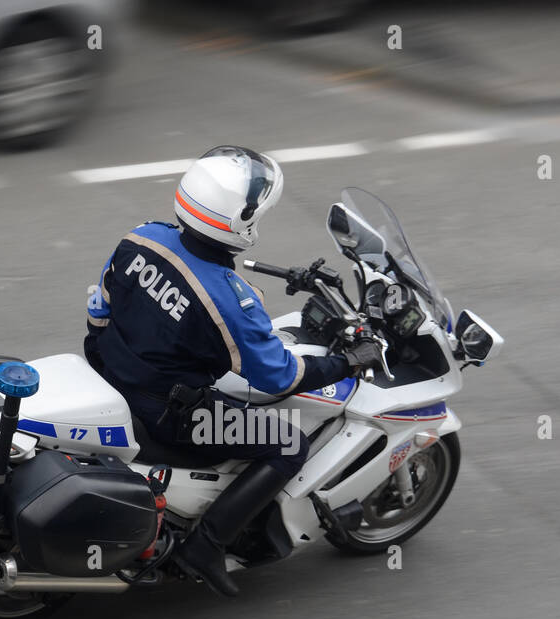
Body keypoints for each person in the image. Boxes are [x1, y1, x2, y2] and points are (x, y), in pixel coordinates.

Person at [83, 145, 381, 596]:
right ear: (240, 219)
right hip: (173, 419)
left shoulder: (141, 238)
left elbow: (98, 310)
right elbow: (279, 378)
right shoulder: (232, 300)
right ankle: (205, 547)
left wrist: (112, 358)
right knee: (286, 442)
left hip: (108, 375)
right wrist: (347, 361)